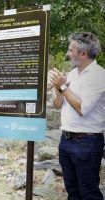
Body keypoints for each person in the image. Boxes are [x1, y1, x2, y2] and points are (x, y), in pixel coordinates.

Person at [50, 32, 105, 200]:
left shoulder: (99, 75)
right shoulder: (73, 74)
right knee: (72, 191)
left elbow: (82, 109)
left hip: (87, 143)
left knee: (88, 192)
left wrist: (64, 87)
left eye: (70, 50)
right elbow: (58, 104)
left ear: (83, 54)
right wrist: (56, 87)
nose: (67, 54)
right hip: (66, 141)